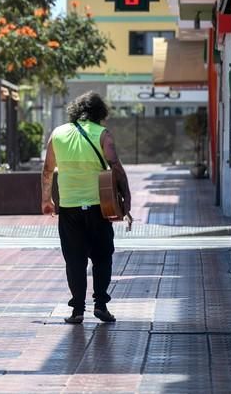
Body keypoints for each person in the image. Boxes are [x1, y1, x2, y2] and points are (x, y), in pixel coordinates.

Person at [41, 91, 131, 324]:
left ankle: (77, 310)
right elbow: (117, 168)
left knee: (74, 260)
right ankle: (100, 304)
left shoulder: (58, 134)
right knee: (102, 257)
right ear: (100, 113)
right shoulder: (103, 135)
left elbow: (48, 170)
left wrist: (46, 200)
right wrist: (127, 199)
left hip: (69, 208)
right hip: (99, 207)